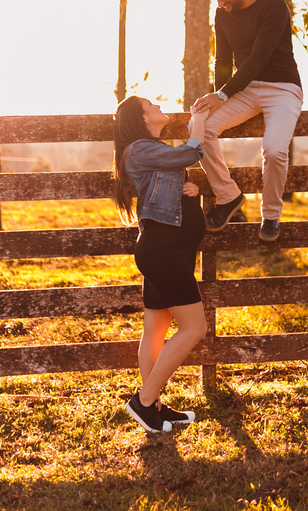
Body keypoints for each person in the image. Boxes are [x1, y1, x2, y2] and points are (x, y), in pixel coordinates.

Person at [113, 94, 211, 433]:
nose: (158, 107)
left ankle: (153, 407)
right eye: (151, 106)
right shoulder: (139, 148)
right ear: (141, 118)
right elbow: (189, 152)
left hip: (168, 249)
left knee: (155, 329)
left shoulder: (151, 151)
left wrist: (191, 187)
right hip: (164, 251)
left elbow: (168, 180)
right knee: (195, 327)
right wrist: (197, 128)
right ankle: (143, 400)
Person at [191, 0, 303, 242]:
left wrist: (222, 94)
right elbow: (223, 61)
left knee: (275, 150)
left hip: (283, 89)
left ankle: (271, 215)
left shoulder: (274, 7)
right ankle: (228, 197)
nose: (221, 1)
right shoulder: (222, 14)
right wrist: (219, 97)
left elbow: (259, 57)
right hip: (245, 90)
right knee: (199, 125)